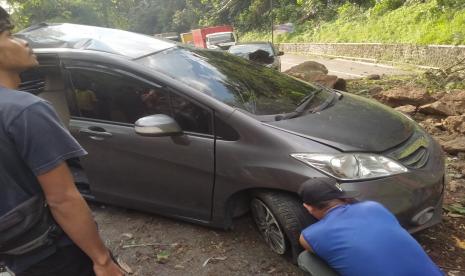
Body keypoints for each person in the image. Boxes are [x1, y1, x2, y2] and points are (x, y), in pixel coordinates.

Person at [0, 7, 124, 276]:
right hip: (55, 253)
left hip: (16, 254)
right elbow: (63, 199)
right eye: (10, 34)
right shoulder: (25, 110)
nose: (24, 41)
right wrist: (101, 260)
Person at [298, 178, 443, 276]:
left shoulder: (309, 236)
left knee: (305, 258)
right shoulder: (374, 207)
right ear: (344, 198)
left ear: (309, 208)